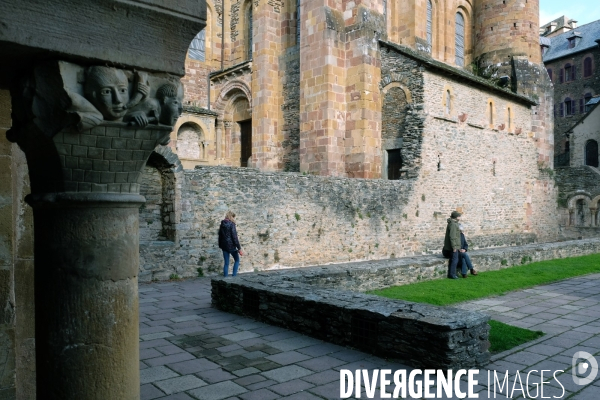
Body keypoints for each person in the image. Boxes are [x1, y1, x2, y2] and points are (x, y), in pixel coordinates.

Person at [218, 211, 244, 277]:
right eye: (233, 217)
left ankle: (225, 278)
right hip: (231, 246)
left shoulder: (222, 224)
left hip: (224, 246)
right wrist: (239, 248)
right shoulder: (232, 224)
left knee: (226, 263)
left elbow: (220, 236)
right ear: (231, 216)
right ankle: (234, 276)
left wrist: (220, 245)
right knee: (237, 260)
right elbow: (234, 237)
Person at [442, 211, 462, 279]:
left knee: (458, 258)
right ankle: (452, 274)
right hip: (453, 247)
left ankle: (456, 273)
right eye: (459, 216)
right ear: (456, 217)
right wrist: (454, 247)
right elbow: (452, 236)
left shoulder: (453, 223)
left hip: (455, 246)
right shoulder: (453, 224)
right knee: (454, 260)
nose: (460, 217)